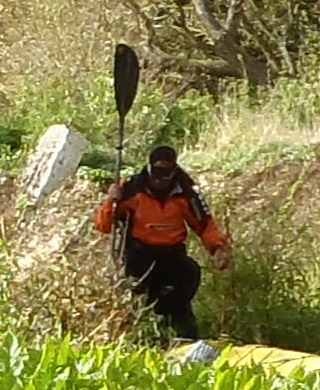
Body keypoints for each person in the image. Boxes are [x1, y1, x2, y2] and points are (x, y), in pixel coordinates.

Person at [94, 139, 230, 334]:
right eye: (156, 174)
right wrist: (110, 201)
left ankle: (174, 321)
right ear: (149, 168)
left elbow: (205, 223)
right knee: (141, 297)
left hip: (172, 255)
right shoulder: (132, 188)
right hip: (140, 257)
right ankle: (148, 328)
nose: (160, 180)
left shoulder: (185, 191)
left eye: (165, 175)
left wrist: (217, 247)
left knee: (190, 273)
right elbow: (104, 226)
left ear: (174, 171)